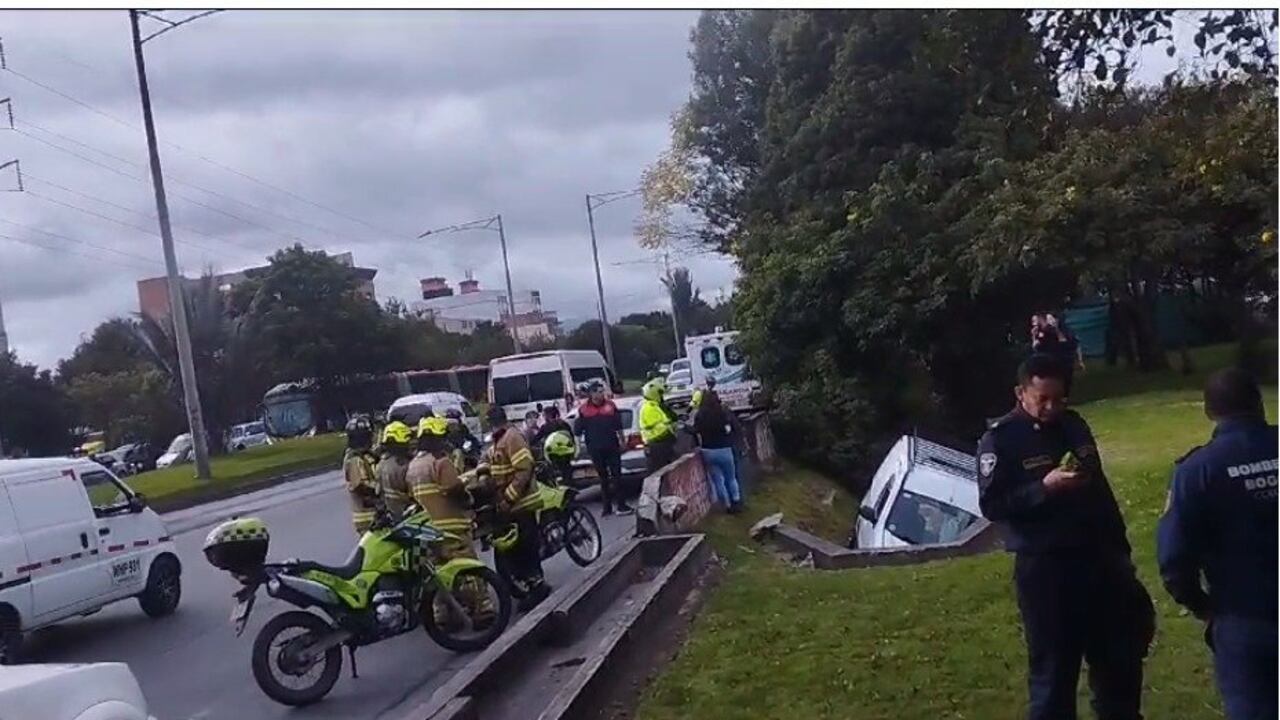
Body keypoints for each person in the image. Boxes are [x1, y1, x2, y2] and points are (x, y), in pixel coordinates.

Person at [976, 353, 1155, 720]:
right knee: (1054, 674)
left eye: (1059, 398)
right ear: (1021, 394)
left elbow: (1099, 491)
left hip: (1099, 560)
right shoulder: (1001, 441)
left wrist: (1121, 554)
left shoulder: (1074, 425)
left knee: (1117, 664)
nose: (1051, 407)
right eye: (1042, 399)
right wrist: (1044, 488)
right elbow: (993, 505)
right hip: (1047, 570)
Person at [1156, 368, 1277, 720]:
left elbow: (1174, 561)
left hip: (1244, 620)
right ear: (1259, 403)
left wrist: (1204, 608)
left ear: (1209, 411)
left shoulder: (1197, 472)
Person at [485, 405, 550, 609]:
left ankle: (538, 588)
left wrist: (508, 499)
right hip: (511, 507)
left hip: (521, 504)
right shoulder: (498, 441)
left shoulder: (512, 437)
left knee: (526, 549)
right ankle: (529, 587)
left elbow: (523, 470)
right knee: (516, 552)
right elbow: (488, 462)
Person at [574, 381, 633, 515]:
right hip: (595, 448)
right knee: (603, 478)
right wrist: (577, 448)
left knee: (617, 477)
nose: (602, 394)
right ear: (592, 393)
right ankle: (607, 507)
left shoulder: (610, 406)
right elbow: (577, 431)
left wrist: (622, 441)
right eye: (599, 392)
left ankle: (621, 505)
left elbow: (618, 426)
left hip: (612, 446)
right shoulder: (583, 409)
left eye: (603, 392)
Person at [693, 389, 742, 513]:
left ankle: (726, 506)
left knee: (717, 480)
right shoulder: (722, 412)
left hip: (708, 451)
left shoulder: (700, 415)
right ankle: (736, 501)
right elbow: (731, 427)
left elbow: (695, 430)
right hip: (725, 449)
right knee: (731, 478)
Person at [342, 415, 381, 534]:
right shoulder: (353, 459)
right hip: (367, 516)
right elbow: (360, 485)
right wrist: (381, 489)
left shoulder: (366, 455)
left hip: (374, 514)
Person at [375, 420, 415, 519]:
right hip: (410, 515)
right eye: (407, 440)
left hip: (392, 516)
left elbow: (378, 492)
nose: (410, 443)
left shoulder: (380, 464)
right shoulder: (404, 466)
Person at [639, 378, 679, 474]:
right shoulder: (649, 408)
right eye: (661, 394)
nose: (662, 397)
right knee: (662, 473)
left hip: (661, 444)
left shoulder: (656, 406)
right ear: (655, 394)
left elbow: (669, 419)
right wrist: (670, 431)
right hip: (657, 445)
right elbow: (659, 429)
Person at [537, 405, 577, 487]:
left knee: (553, 475)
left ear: (547, 416)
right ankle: (570, 490)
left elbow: (536, 439)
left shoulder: (546, 427)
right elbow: (571, 437)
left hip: (553, 455)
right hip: (566, 454)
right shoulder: (564, 424)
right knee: (567, 474)